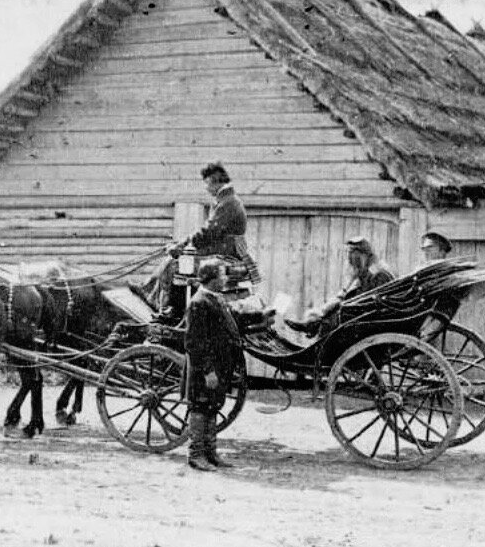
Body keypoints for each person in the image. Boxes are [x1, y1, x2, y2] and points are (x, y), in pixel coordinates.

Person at [146, 162, 260, 320]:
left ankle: (169, 309)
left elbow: (208, 232)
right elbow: (209, 231)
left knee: (173, 264)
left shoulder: (228, 202)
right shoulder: (229, 201)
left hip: (225, 253)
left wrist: (182, 244)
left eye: (207, 184)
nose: (206, 188)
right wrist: (184, 243)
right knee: (179, 260)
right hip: (226, 251)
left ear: (215, 181)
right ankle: (159, 298)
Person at [184, 259, 244, 471]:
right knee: (200, 408)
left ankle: (211, 453)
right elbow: (194, 342)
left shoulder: (216, 299)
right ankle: (196, 455)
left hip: (219, 366)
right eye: (222, 275)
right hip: (205, 369)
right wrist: (208, 371)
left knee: (213, 407)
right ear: (210, 278)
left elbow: (234, 321)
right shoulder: (199, 303)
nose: (225, 278)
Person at [285, 236, 394, 334]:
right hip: (359, 314)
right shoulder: (365, 271)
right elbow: (346, 295)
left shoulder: (378, 274)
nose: (349, 258)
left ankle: (313, 325)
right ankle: (312, 322)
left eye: (353, 253)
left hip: (369, 320)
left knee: (333, 318)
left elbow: (377, 303)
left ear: (363, 254)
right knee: (332, 310)